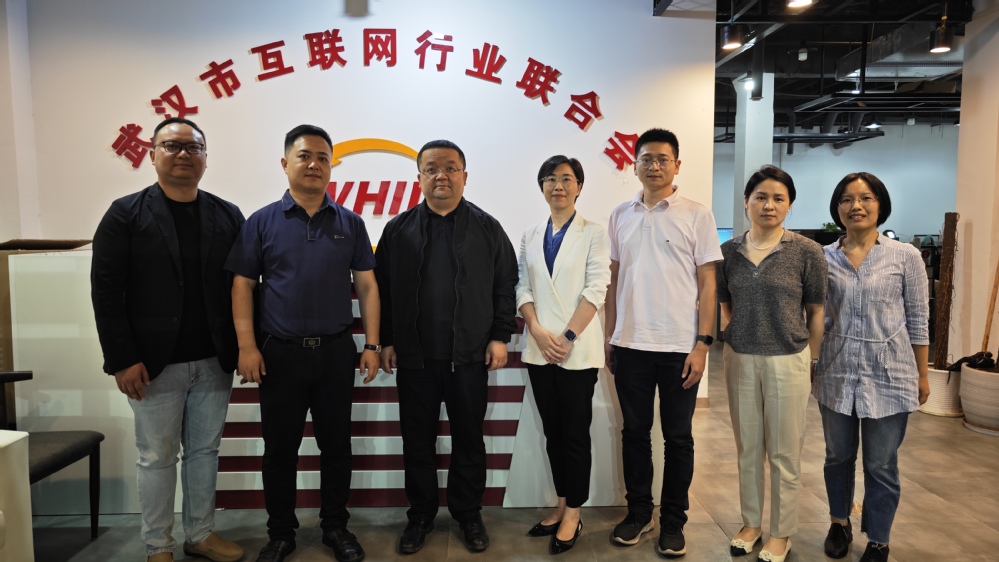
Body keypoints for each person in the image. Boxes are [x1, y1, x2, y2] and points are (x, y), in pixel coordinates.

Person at [91, 117, 246, 562]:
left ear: (205, 157)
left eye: (193, 147)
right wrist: (122, 359)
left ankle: (201, 534)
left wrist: (244, 348)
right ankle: (158, 545)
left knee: (204, 453)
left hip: (214, 361)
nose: (183, 154)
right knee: (156, 457)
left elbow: (242, 286)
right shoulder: (125, 214)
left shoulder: (227, 214)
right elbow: (106, 291)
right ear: (152, 154)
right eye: (172, 146)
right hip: (151, 365)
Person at [225, 125, 381, 562]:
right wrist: (247, 346)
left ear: (331, 166)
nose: (314, 164)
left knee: (337, 447)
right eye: (304, 156)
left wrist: (371, 345)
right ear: (285, 163)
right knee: (279, 451)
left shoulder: (350, 222)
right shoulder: (261, 222)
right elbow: (242, 285)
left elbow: (367, 286)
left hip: (335, 352)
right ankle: (281, 533)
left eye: (323, 158)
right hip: (279, 353)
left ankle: (335, 527)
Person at [374, 139, 518, 554]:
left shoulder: (488, 228)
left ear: (464, 176)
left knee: (469, 440)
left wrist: (499, 336)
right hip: (414, 358)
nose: (442, 175)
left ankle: (468, 514)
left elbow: (505, 284)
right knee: (417, 441)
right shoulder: (397, 230)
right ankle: (420, 516)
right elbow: (382, 289)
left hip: (469, 357)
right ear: (419, 177)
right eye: (432, 168)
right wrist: (385, 340)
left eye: (451, 168)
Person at [604, 128, 722, 557]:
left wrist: (703, 344)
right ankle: (639, 513)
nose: (654, 166)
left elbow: (708, 283)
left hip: (679, 348)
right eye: (646, 159)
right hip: (630, 344)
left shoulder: (697, 214)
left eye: (662, 159)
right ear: (634, 165)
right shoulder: (620, 214)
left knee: (678, 437)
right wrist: (610, 337)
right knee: (634, 433)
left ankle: (673, 520)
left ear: (677, 165)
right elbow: (614, 279)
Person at [814, 172, 930, 562]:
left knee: (881, 464)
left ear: (880, 204)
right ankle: (839, 522)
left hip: (890, 373)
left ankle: (879, 538)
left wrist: (923, 375)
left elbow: (918, 319)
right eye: (847, 199)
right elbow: (815, 316)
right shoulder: (823, 257)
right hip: (837, 371)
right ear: (837, 208)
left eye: (866, 198)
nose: (856, 206)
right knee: (837, 456)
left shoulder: (905, 255)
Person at [716, 165, 827, 562]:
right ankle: (751, 523)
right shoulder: (728, 253)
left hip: (788, 359)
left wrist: (812, 357)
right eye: (761, 197)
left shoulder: (806, 251)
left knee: (784, 452)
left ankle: (781, 532)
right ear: (746, 202)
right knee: (748, 448)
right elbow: (724, 303)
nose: (769, 205)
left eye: (779, 198)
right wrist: (733, 334)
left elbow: (816, 310)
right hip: (740, 359)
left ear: (789, 205)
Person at [515, 155, 611, 555]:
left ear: (579, 187)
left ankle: (574, 512)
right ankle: (560, 503)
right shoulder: (530, 234)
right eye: (550, 179)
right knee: (553, 433)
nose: (558, 186)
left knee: (574, 434)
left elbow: (596, 288)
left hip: (576, 349)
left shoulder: (594, 233)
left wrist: (568, 336)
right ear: (542, 186)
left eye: (567, 179)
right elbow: (522, 286)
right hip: (540, 349)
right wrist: (537, 331)